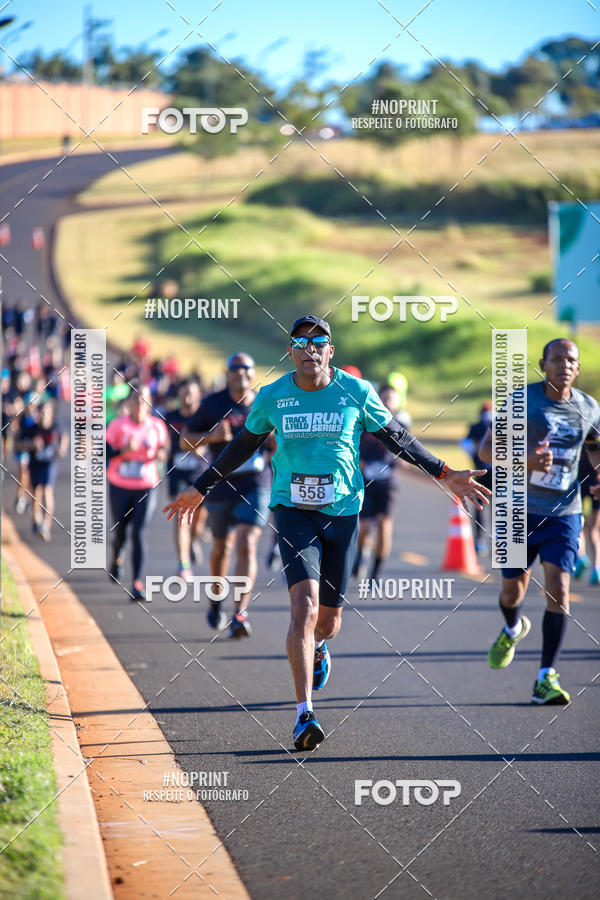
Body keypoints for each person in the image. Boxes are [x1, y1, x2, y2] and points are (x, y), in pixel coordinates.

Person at [164, 315, 490, 750]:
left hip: (343, 513)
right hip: (292, 510)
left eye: (319, 342)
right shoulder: (273, 396)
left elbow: (396, 437)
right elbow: (243, 445)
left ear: (330, 351)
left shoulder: (355, 392)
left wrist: (444, 472)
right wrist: (200, 487)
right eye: (300, 342)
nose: (310, 349)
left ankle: (319, 646)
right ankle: (304, 714)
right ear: (290, 352)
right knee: (303, 605)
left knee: (329, 623)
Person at [480, 338, 600, 704]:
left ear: (577, 368)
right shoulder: (522, 401)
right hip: (517, 510)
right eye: (557, 359)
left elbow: (595, 446)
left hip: (564, 513)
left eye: (571, 360)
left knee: (559, 589)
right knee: (512, 591)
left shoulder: (589, 407)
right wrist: (526, 461)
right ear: (543, 365)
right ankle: (512, 627)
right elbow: (486, 450)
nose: (565, 365)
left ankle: (546, 677)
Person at [181, 353, 272, 638]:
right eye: (235, 369)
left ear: (254, 373)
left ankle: (240, 612)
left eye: (247, 369)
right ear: (228, 373)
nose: (241, 373)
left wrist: (275, 442)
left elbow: (282, 443)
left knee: (247, 542)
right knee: (222, 549)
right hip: (221, 485)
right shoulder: (213, 403)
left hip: (256, 484)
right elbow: (184, 440)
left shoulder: (265, 402)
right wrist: (212, 436)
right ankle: (216, 599)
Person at [106, 383, 168, 600]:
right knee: (121, 531)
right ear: (130, 403)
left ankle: (137, 583)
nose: (139, 402)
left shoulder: (157, 426)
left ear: (150, 403)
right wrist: (122, 451)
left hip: (146, 485)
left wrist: (161, 454)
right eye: (136, 398)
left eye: (144, 398)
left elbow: (164, 449)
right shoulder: (117, 425)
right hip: (119, 485)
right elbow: (102, 452)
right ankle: (116, 557)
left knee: (139, 532)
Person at [352, 384, 404, 580]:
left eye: (392, 398)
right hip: (366, 482)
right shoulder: (365, 422)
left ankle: (375, 573)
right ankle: (359, 555)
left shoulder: (400, 425)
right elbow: (352, 445)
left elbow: (408, 452)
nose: (388, 402)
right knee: (364, 528)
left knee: (384, 526)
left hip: (388, 483)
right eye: (385, 398)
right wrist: (360, 462)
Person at [164, 380, 208, 580]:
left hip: (201, 473)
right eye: (184, 394)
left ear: (199, 395)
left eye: (191, 393)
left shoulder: (206, 416)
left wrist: (201, 447)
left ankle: (193, 540)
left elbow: (211, 443)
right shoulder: (171, 417)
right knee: (181, 518)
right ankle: (183, 564)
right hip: (178, 472)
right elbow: (164, 443)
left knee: (198, 521)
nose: (188, 398)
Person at [27, 400, 68, 540]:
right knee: (36, 491)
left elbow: (64, 437)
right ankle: (36, 519)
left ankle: (46, 525)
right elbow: (20, 444)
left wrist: (62, 449)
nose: (44, 415)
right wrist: (32, 445)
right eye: (42, 412)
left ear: (51, 413)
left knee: (47, 491)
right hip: (35, 463)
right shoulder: (33, 427)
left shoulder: (56, 426)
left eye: (46, 412)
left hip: (50, 463)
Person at [461, 402, 494, 555]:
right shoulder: (497, 425)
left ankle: (481, 541)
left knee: (481, 507)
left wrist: (474, 457)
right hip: (493, 473)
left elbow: (464, 444)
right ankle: (492, 541)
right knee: (492, 507)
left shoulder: (476, 427)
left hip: (482, 472)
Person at [573, 450, 600, 586]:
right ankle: (596, 569)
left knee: (580, 525)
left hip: (581, 481)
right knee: (593, 529)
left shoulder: (584, 432)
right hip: (596, 481)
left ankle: (581, 557)